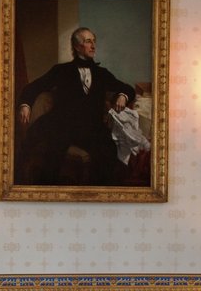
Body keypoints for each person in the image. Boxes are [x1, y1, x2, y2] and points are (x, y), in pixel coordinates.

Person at [16, 27, 136, 186]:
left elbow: (128, 88)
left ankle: (99, 195)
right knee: (52, 154)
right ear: (77, 46)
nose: (93, 45)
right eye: (88, 41)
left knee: (108, 151)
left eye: (94, 41)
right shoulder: (61, 71)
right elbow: (33, 88)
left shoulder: (102, 73)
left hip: (90, 128)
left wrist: (123, 95)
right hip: (61, 125)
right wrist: (25, 105)